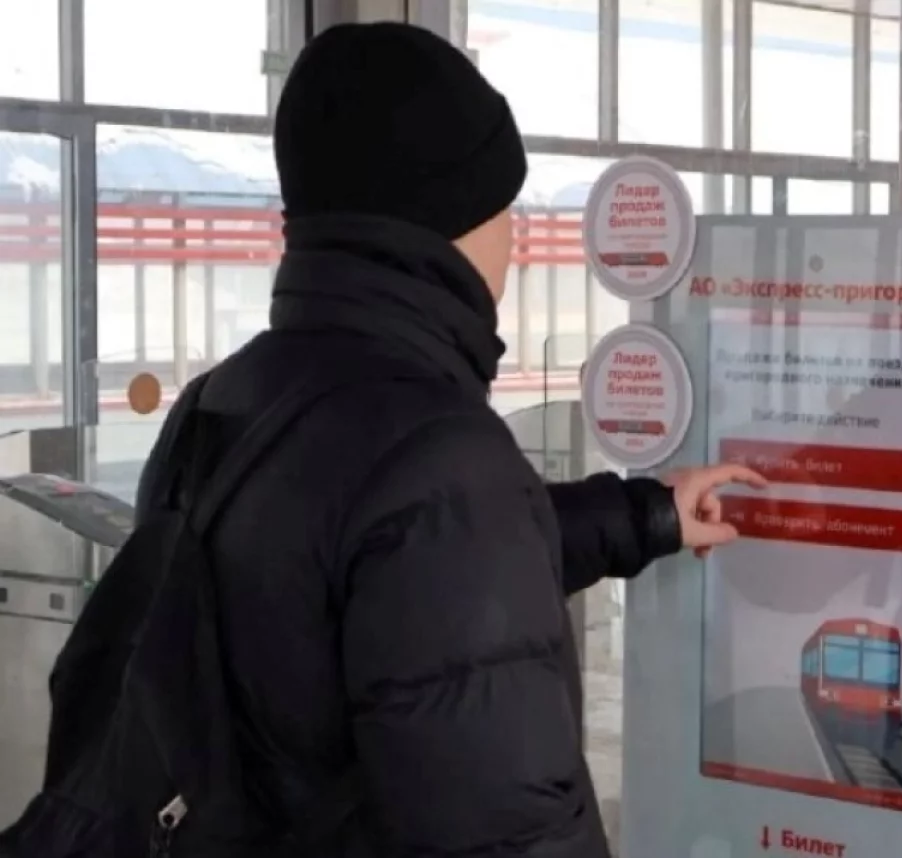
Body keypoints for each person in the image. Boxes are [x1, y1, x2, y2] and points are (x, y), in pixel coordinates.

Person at [133, 21, 764, 858]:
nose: (515, 239)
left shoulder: (227, 402)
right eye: (505, 210)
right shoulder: (435, 458)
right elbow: (508, 828)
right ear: (450, 222)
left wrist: (644, 515)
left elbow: (382, 574)